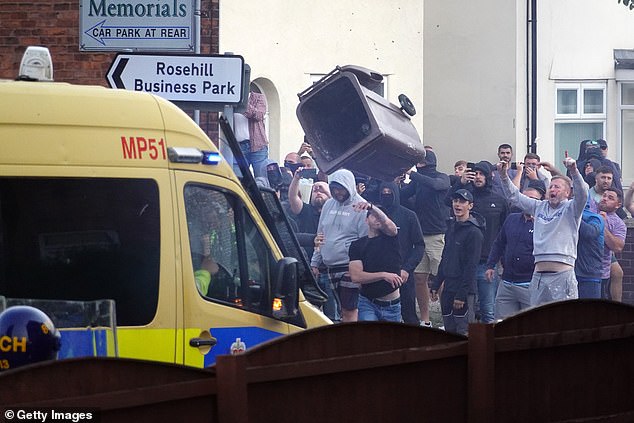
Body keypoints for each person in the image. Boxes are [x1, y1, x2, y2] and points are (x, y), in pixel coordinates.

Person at [497, 156, 588, 306]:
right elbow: (514, 196)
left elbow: (583, 193)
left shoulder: (571, 208)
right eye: (551, 186)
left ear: (567, 193)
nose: (553, 189)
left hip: (562, 276)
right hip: (538, 277)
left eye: (557, 187)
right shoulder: (538, 207)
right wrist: (503, 175)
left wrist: (574, 170)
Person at [448, 160, 508, 323]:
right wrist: (460, 182)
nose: (478, 177)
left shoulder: (500, 200)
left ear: (489, 176)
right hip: (464, 263)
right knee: (465, 309)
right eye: (476, 173)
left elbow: (505, 231)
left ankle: (490, 345)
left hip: (487, 263)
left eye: (482, 174)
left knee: (488, 309)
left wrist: (502, 258)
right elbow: (447, 201)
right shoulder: (465, 198)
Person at [399, 150, 451, 327]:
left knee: (441, 279)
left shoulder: (442, 177)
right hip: (420, 237)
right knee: (419, 279)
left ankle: (447, 319)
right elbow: (402, 196)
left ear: (425, 163)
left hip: (437, 235)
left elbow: (435, 185)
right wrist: (395, 184)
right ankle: (425, 319)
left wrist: (412, 174)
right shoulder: (417, 182)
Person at [311, 169, 369, 322]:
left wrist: (359, 268)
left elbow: (365, 240)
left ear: (349, 185)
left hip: (348, 267)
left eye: (341, 188)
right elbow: (320, 233)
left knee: (350, 309)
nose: (337, 192)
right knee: (341, 309)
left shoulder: (361, 207)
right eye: (334, 188)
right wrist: (315, 261)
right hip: (329, 266)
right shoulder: (328, 205)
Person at [430, 189, 484, 335]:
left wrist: (461, 294)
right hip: (448, 288)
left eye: (462, 202)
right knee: (449, 330)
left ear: (470, 206)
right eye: (455, 201)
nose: (457, 205)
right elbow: (445, 257)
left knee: (464, 332)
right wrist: (436, 284)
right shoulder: (451, 227)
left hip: (464, 291)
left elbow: (471, 266)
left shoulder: (474, 232)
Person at [485, 187, 542, 320]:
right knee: (502, 326)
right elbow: (499, 243)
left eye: (533, 199)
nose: (528, 202)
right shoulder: (512, 219)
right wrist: (490, 265)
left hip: (530, 284)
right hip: (507, 283)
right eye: (525, 198)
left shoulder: (545, 223)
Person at [287, 168, 335, 319]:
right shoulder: (305, 210)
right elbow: (293, 197)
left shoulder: (335, 214)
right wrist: (296, 178)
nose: (318, 191)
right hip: (307, 270)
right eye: (315, 190)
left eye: (322, 190)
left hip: (329, 270)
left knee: (331, 314)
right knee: (308, 314)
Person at [378, 182, 425, 325]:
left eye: (389, 192)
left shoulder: (409, 216)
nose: (386, 195)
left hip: (402, 273)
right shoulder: (375, 215)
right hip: (379, 274)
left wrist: (407, 268)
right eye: (383, 192)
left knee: (408, 313)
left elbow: (419, 245)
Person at [349, 203, 403, 322]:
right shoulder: (357, 245)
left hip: (392, 306)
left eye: (380, 216)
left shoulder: (392, 238)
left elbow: (390, 226)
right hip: (367, 303)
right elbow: (356, 276)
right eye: (373, 215)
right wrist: (383, 275)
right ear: (366, 220)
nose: (377, 218)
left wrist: (372, 207)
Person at [596, 188, 627, 300]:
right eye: (604, 195)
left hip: (599, 271)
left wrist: (602, 225)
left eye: (610, 198)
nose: (604, 199)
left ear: (618, 205)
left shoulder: (619, 224)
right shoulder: (590, 209)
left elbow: (618, 247)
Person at [234, 91, 269, 178]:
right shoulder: (231, 99)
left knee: (260, 179)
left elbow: (259, 115)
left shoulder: (258, 97)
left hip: (258, 146)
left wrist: (243, 103)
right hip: (237, 146)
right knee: (239, 179)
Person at [575, 205, 604, 299]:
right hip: (568, 274)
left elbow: (590, 233)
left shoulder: (595, 218)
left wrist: (574, 216)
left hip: (589, 276)